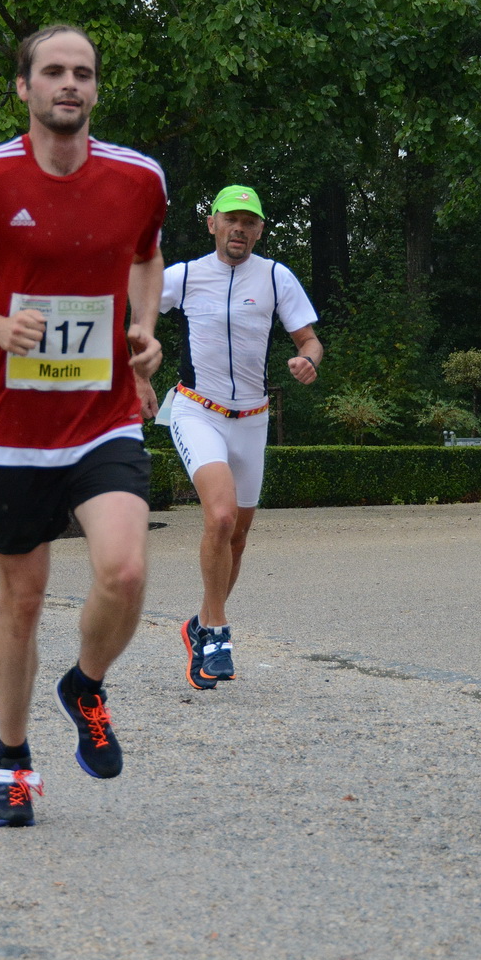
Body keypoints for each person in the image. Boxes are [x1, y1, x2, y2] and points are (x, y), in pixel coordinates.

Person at [0, 23, 167, 828]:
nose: (69, 84)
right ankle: (13, 762)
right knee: (22, 600)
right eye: (53, 71)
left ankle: (85, 684)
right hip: (9, 427)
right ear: (24, 87)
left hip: (103, 413)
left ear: (96, 88)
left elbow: (147, 256)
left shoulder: (139, 178)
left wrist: (144, 328)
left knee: (125, 570)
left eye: (83, 72)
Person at [159, 184, 321, 689]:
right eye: (231, 219)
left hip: (252, 418)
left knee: (239, 535)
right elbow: (134, 304)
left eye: (249, 223)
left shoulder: (275, 276)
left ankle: (199, 624)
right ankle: (217, 633)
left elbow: (309, 338)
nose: (239, 229)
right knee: (221, 515)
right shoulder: (185, 276)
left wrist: (308, 360)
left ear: (260, 230)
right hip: (197, 410)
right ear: (212, 224)